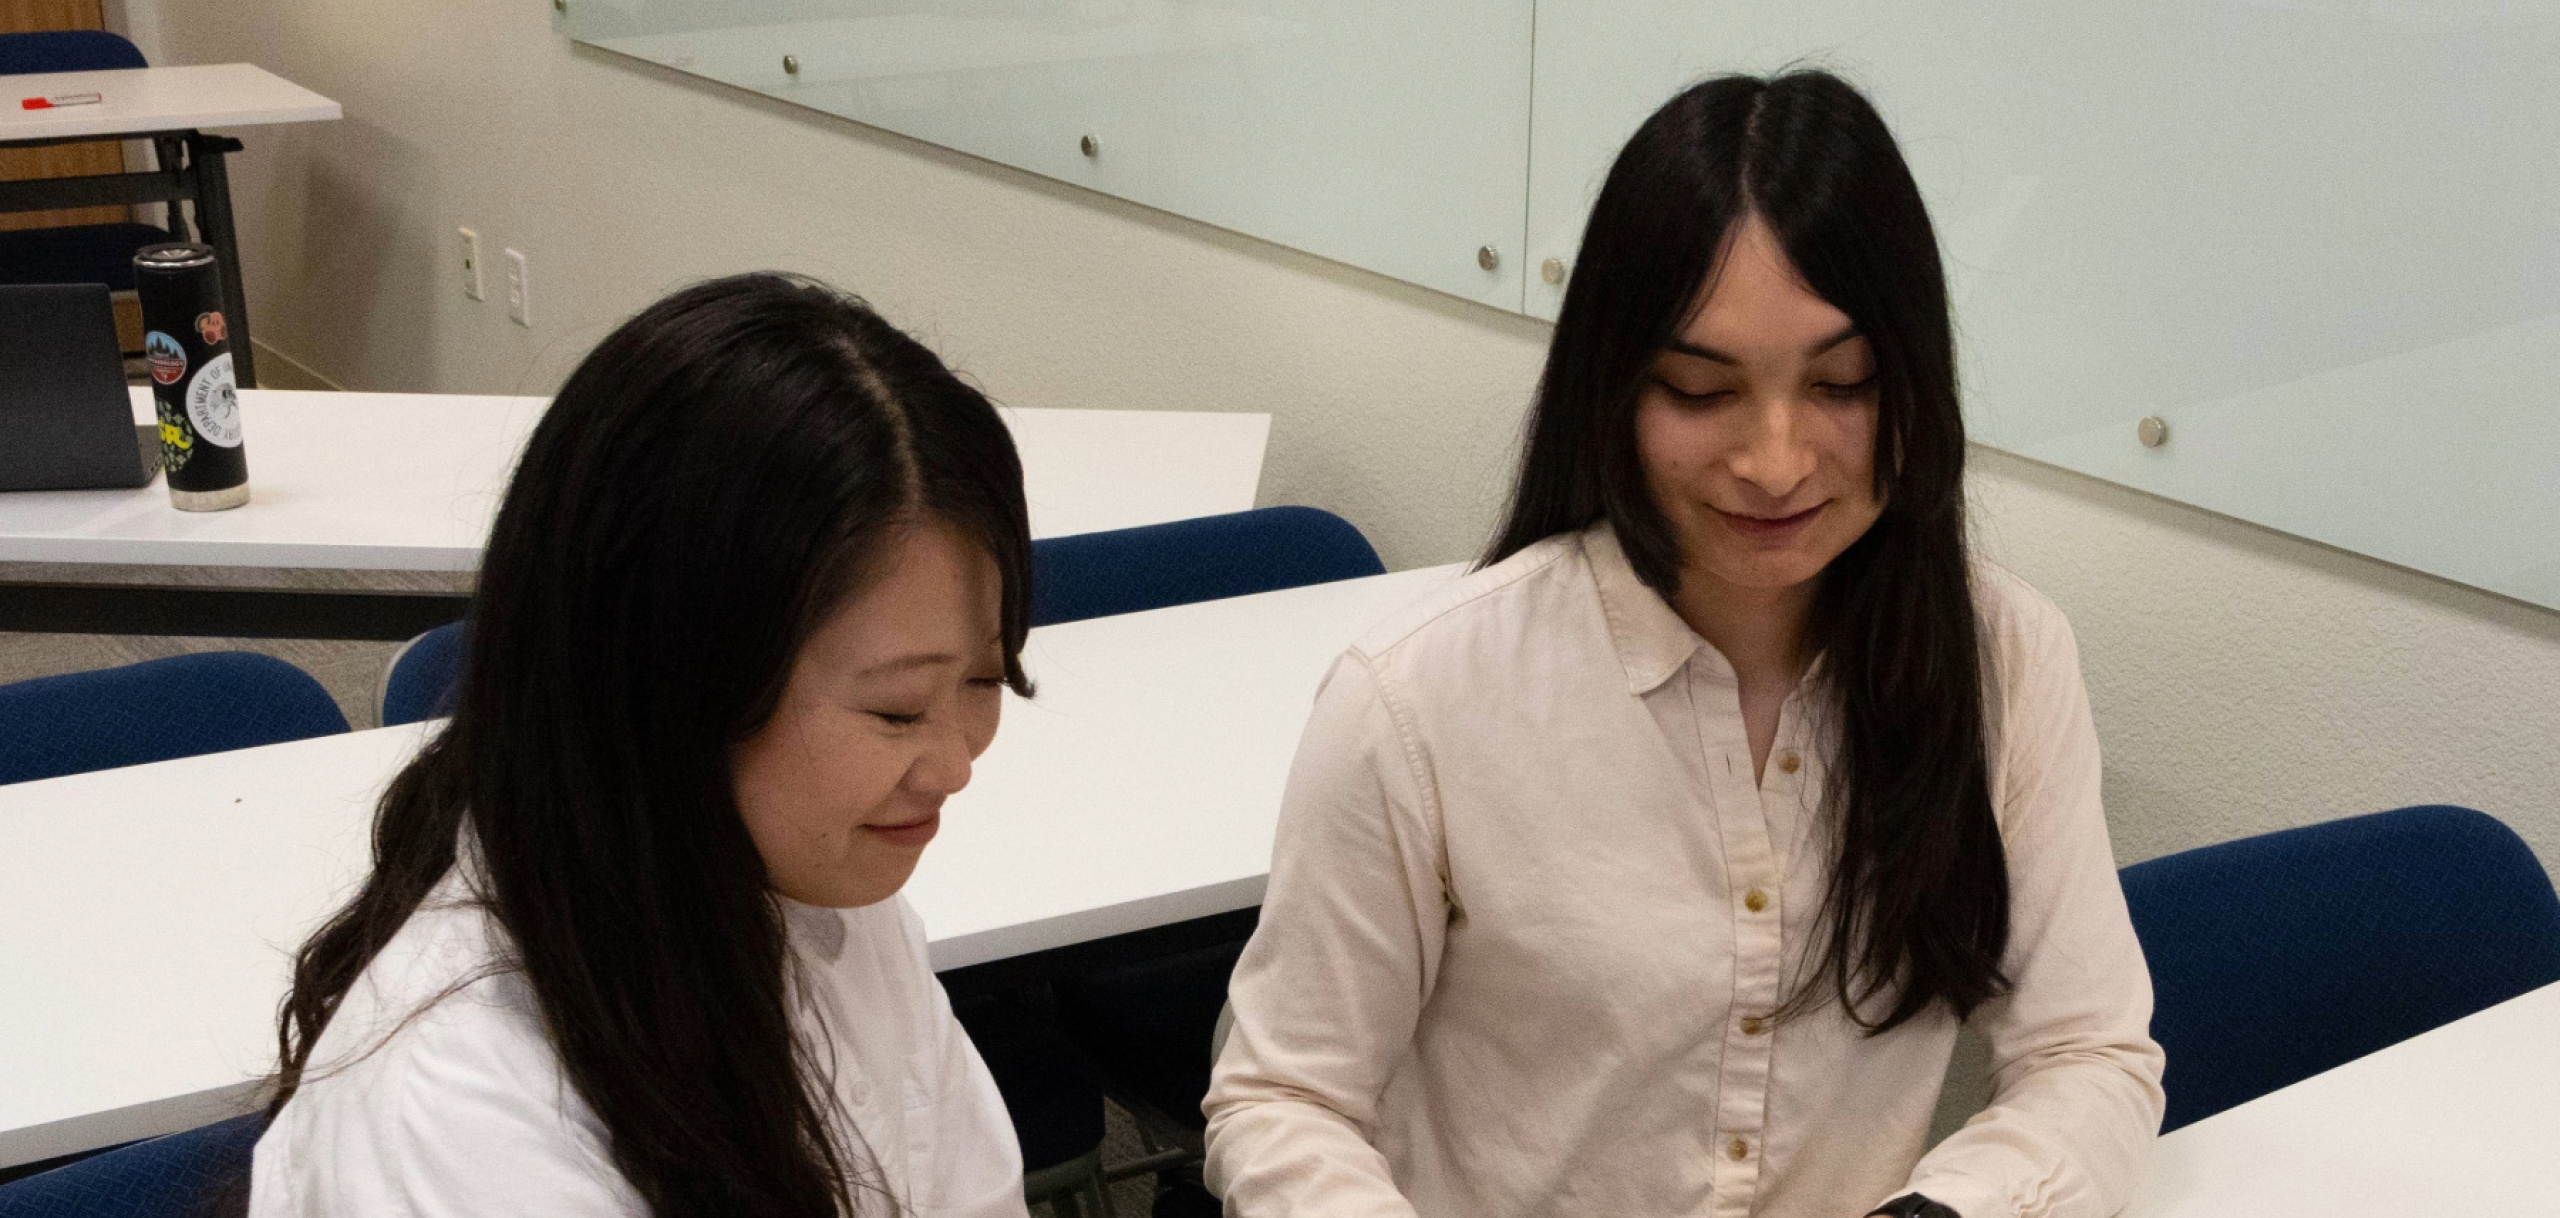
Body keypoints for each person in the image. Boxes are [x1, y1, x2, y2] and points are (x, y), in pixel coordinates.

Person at [1203, 71, 2164, 1218]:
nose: (1774, 459)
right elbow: (1282, 1098)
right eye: (1702, 391)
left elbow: (2088, 1058)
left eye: (1843, 384)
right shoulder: (1424, 696)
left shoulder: (2004, 657)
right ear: (1612, 391)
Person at [250, 274, 1036, 1218]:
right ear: (668, 687)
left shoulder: (818, 885)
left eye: (986, 681)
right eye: (899, 711)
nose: (956, 765)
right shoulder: (466, 1105)